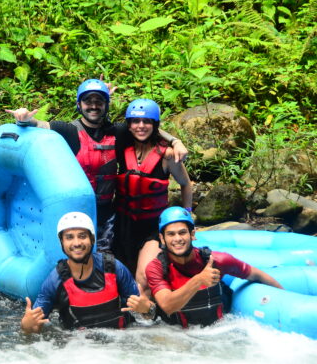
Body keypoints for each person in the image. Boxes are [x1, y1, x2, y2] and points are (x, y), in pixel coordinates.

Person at [7, 79, 188, 252]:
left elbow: (146, 124)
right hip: (76, 210)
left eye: (99, 101)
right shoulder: (67, 131)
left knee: (106, 262)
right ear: (79, 105)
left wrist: (175, 141)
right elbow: (38, 124)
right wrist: (23, 119)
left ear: (106, 105)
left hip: (107, 213)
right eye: (88, 101)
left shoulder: (117, 132)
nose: (93, 106)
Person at [146, 206, 283, 327]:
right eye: (171, 234)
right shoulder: (156, 268)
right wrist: (199, 280)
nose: (177, 239)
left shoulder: (218, 260)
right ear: (162, 239)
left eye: (182, 232)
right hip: (178, 336)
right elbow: (168, 306)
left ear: (192, 234)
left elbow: (257, 274)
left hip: (219, 332)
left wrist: (283, 298)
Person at [20, 212, 156, 334]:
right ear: (62, 242)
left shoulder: (114, 268)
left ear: (92, 239)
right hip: (79, 348)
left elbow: (149, 314)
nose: (77, 243)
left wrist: (147, 309)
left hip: (119, 342)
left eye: (82, 236)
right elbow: (34, 328)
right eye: (69, 237)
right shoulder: (54, 281)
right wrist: (26, 326)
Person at [112, 98, 192, 295]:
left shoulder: (167, 155)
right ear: (128, 125)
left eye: (147, 122)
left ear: (155, 125)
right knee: (120, 277)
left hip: (151, 227)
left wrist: (187, 215)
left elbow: (185, 184)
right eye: (136, 122)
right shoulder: (122, 148)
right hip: (123, 224)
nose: (141, 126)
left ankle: (146, 321)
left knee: (144, 278)